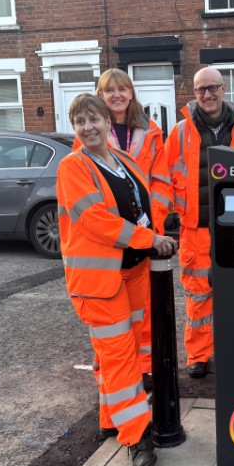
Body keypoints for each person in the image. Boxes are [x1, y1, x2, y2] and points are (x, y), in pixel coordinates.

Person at [57, 93, 178, 466]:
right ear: (75, 128)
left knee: (121, 353)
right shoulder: (73, 167)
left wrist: (161, 229)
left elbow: (142, 206)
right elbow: (95, 220)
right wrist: (149, 240)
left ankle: (112, 420)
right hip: (99, 281)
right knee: (121, 357)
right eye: (81, 122)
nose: (89, 127)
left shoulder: (123, 160)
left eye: (94, 119)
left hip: (132, 272)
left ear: (109, 122)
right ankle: (137, 437)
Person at [72, 69, 171, 391]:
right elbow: (89, 204)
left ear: (131, 93)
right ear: (100, 97)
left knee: (140, 320)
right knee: (112, 333)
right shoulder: (88, 134)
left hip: (143, 239)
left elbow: (160, 179)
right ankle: (115, 385)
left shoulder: (150, 131)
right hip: (111, 247)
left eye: (122, 89)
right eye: (109, 90)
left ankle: (141, 374)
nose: (116, 95)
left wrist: (152, 222)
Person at [164, 66, 234, 378]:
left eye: (213, 87)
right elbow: (164, 180)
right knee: (198, 296)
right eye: (201, 89)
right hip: (196, 229)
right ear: (194, 94)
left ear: (224, 88)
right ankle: (199, 355)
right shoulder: (179, 132)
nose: (208, 94)